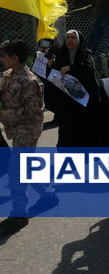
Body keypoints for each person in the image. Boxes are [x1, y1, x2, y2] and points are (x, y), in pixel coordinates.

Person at [0, 39, 57, 234]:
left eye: (4, 56)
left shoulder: (31, 81)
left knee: (16, 171)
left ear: (15, 58)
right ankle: (48, 195)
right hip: (15, 128)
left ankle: (19, 214)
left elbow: (32, 110)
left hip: (28, 129)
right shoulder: (7, 75)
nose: (1, 59)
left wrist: (4, 115)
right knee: (27, 168)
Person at [50, 30, 109, 147]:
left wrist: (71, 68)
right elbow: (55, 74)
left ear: (79, 40)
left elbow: (89, 69)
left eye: (73, 38)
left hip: (85, 99)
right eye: (68, 38)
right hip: (68, 100)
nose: (70, 40)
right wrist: (49, 65)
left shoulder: (86, 54)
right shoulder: (62, 55)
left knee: (86, 126)